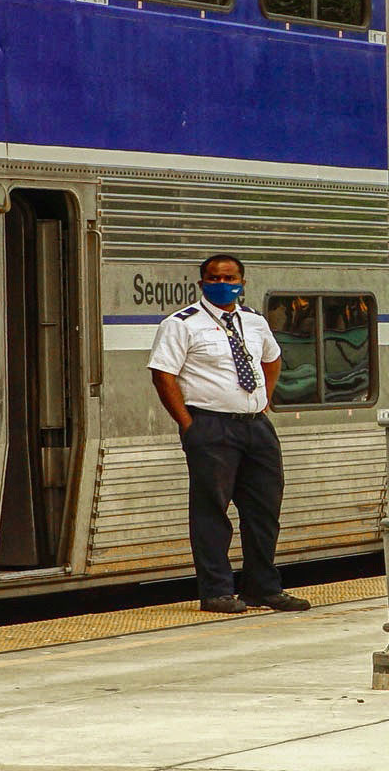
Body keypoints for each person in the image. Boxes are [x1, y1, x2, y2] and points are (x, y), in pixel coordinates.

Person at [146, 253, 308, 615]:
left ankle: (263, 588)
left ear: (243, 282)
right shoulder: (181, 324)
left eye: (230, 278)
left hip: (255, 427)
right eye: (215, 279)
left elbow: (272, 358)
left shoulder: (254, 321)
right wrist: (189, 424)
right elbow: (163, 375)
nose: (223, 284)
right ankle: (217, 591)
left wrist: (263, 399)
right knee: (211, 511)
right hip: (210, 425)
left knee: (264, 510)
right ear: (202, 283)